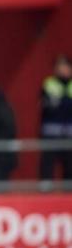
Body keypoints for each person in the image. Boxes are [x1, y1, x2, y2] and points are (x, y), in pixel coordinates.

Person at [40, 54, 72, 183]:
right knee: (47, 168)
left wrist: (59, 102)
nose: (62, 69)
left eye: (65, 66)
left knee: (69, 168)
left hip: (70, 134)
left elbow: (58, 105)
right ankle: (45, 193)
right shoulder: (49, 83)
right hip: (51, 134)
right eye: (59, 66)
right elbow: (47, 106)